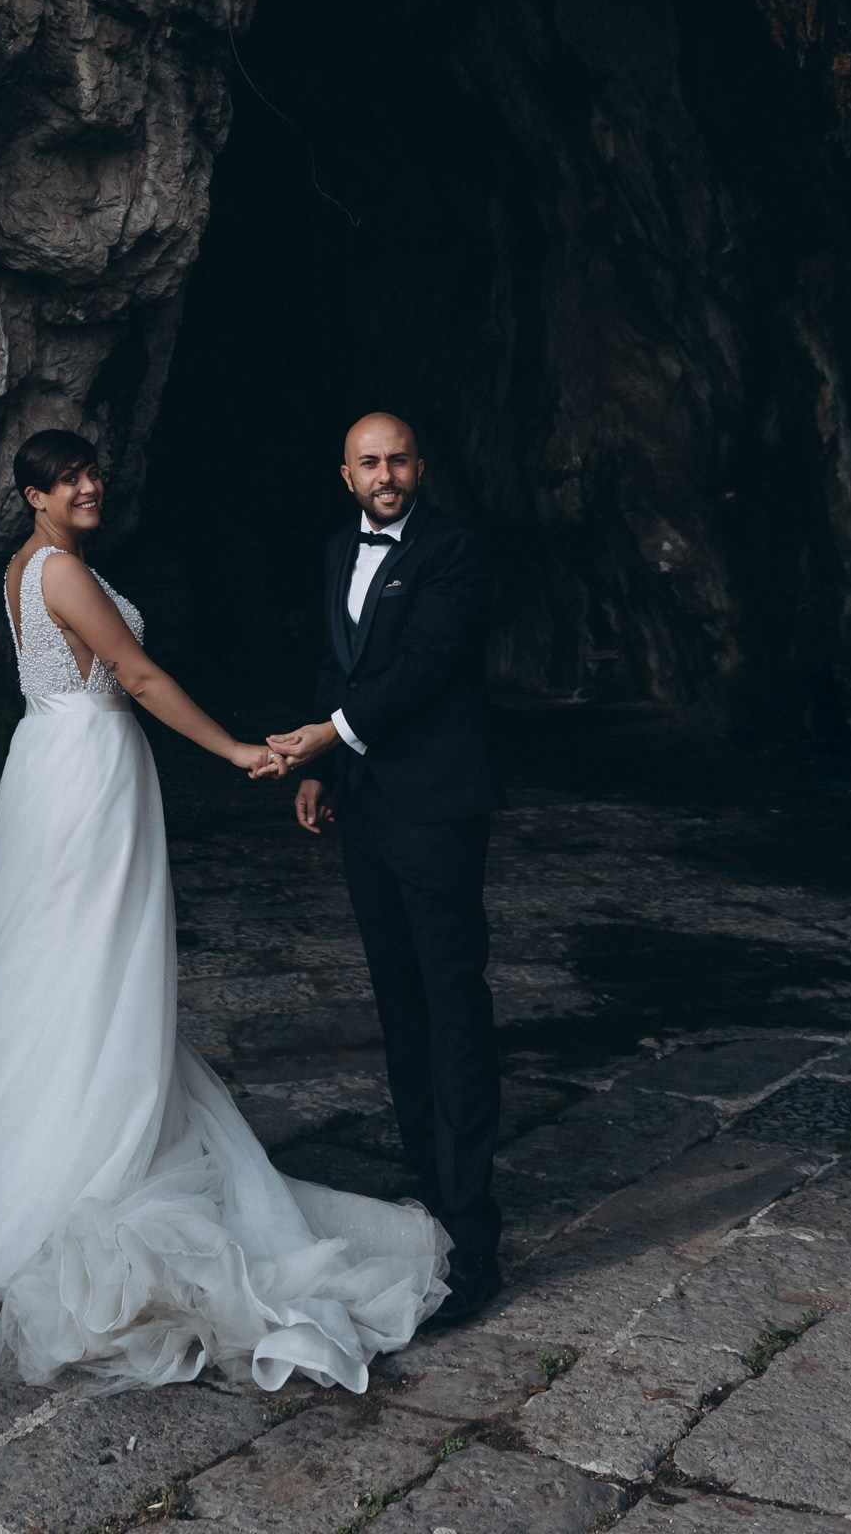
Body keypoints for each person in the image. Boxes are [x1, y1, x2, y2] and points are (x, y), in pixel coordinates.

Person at [0, 426, 448, 1389]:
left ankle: (68, 1139)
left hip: (53, 765)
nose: (89, 486)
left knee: (58, 967)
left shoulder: (30, 566)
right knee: (94, 963)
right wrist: (237, 752)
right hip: (86, 771)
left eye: (92, 470)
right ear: (32, 498)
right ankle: (92, 1165)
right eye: (65, 480)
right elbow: (136, 675)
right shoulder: (61, 572)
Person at [266, 412, 502, 1327]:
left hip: (438, 806)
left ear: (419, 465)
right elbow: (341, 663)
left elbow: (426, 668)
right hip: (365, 809)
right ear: (346, 475)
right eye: (370, 463)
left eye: (399, 458)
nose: (386, 474)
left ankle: (475, 1242)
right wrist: (323, 766)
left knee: (452, 1001)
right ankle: (427, 1200)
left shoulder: (453, 550)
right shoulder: (338, 550)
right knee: (398, 1001)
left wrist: (332, 735)